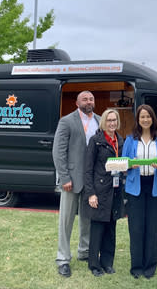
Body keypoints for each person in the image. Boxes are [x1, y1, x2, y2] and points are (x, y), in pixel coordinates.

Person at [52, 91, 100, 277]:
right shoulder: (66, 121)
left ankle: (84, 252)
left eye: (91, 99)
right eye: (85, 99)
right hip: (71, 180)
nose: (89, 102)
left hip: (91, 180)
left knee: (87, 219)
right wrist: (64, 178)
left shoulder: (99, 119)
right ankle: (63, 259)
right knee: (66, 221)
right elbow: (58, 152)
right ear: (77, 102)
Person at [122, 104, 157, 279]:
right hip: (135, 187)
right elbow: (123, 165)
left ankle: (150, 266)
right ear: (138, 120)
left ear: (152, 119)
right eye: (142, 117)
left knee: (152, 228)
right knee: (136, 228)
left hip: (154, 187)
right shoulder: (130, 140)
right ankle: (137, 267)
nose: (145, 119)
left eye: (148, 116)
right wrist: (130, 164)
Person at [83, 109, 125, 277]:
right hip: (99, 191)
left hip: (115, 191)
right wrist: (91, 194)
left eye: (114, 120)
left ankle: (107, 263)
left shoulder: (121, 141)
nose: (112, 123)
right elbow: (88, 170)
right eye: (109, 120)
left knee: (111, 229)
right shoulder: (96, 141)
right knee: (97, 229)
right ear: (103, 122)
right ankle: (94, 265)